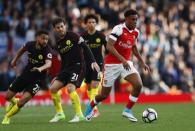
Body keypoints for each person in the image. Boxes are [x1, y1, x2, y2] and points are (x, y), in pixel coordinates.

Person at [85, 9, 151, 122]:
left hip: (126, 63)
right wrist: (122, 60)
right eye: (133, 19)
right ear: (126, 19)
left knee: (138, 84)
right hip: (111, 65)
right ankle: (90, 107)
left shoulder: (136, 32)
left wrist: (141, 61)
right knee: (104, 95)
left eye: (136, 19)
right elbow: (109, 46)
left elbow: (133, 47)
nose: (135, 21)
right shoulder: (118, 29)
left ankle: (127, 110)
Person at [49, 17, 100, 123]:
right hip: (66, 69)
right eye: (58, 27)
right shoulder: (59, 44)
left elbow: (85, 47)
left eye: (62, 26)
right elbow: (63, 61)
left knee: (70, 88)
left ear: (65, 26)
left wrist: (93, 61)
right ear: (54, 29)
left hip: (78, 66)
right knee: (53, 88)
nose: (60, 29)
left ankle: (79, 115)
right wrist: (58, 75)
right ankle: (60, 114)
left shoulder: (73, 35)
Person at [1, 30, 52, 124]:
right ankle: (13, 101)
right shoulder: (29, 45)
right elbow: (21, 51)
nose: (45, 41)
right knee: (8, 97)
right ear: (38, 38)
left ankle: (7, 116)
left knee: (22, 102)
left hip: (38, 79)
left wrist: (40, 68)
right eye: (43, 38)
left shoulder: (47, 49)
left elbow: (49, 64)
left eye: (47, 39)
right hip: (26, 74)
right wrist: (14, 60)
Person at [81, 14, 107, 117]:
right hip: (86, 64)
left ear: (96, 24)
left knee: (95, 85)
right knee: (88, 87)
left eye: (93, 22)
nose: (91, 24)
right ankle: (94, 108)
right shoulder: (82, 36)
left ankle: (94, 110)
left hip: (98, 63)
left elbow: (107, 49)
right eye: (89, 22)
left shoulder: (100, 35)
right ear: (86, 24)